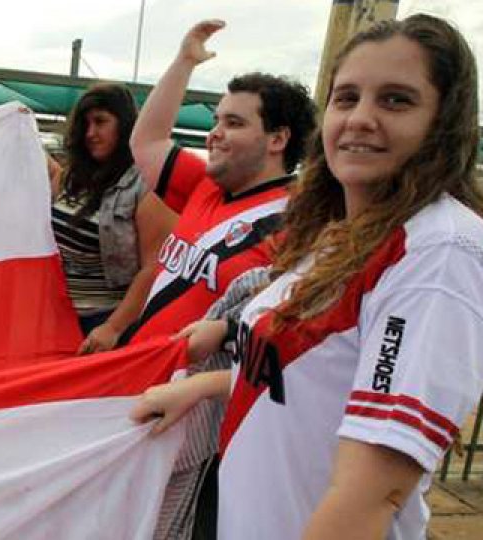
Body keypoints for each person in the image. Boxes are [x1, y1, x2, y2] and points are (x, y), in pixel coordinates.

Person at [132, 14, 483, 539]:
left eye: (395, 100)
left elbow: (375, 490)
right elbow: (310, 385)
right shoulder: (340, 235)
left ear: (444, 121)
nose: (361, 118)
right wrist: (204, 386)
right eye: (347, 98)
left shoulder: (440, 249)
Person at [126, 20, 317, 539]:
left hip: (201, 411)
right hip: (139, 380)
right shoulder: (206, 187)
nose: (215, 132)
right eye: (216, 119)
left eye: (233, 123)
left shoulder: (303, 218)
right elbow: (146, 141)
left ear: (278, 139)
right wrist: (184, 62)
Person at [50, 84, 174, 354]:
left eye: (101, 122)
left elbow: (155, 268)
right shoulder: (71, 176)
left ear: (126, 125)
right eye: (85, 124)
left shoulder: (147, 187)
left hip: (104, 324)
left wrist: (114, 328)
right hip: (55, 318)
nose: (90, 133)